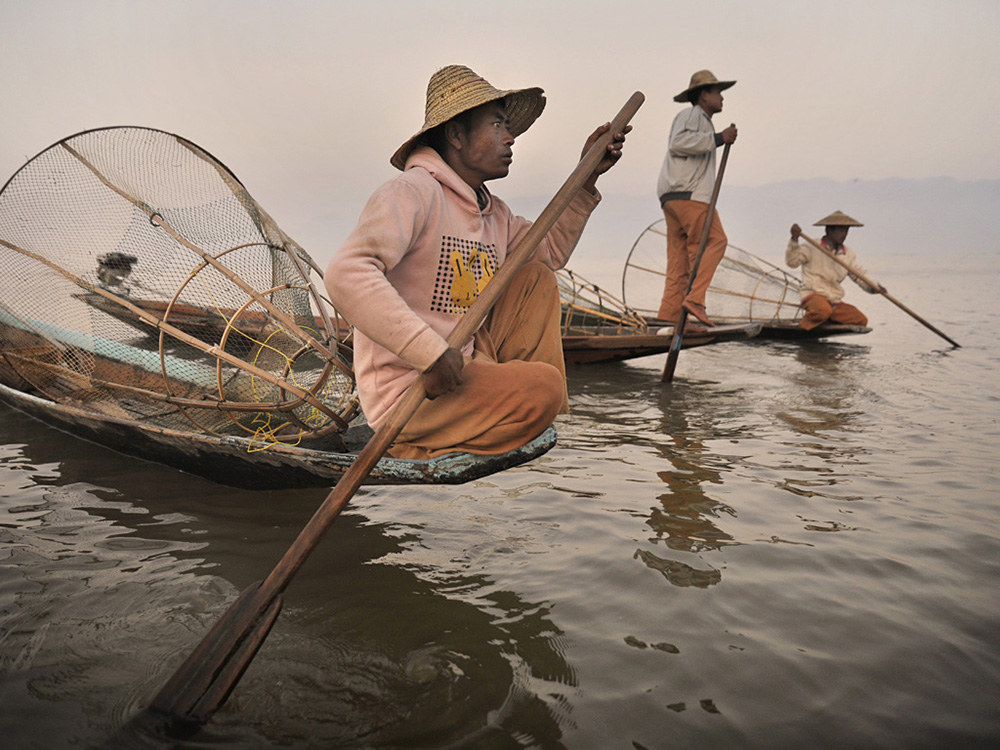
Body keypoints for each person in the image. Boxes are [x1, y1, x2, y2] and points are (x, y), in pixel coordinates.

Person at [325, 65, 628, 460]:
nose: (511, 137)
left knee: (536, 280)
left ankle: (516, 403)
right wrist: (428, 352)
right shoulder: (412, 193)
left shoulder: (494, 213)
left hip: (466, 364)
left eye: (509, 126)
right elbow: (346, 274)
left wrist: (586, 177)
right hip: (413, 389)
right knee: (544, 390)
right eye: (498, 125)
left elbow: (549, 252)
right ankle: (416, 445)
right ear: (455, 135)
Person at [655, 70, 738, 329]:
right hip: (690, 195)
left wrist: (717, 139)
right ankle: (696, 300)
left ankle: (668, 319)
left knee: (679, 262)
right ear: (703, 95)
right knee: (716, 241)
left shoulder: (699, 119)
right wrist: (719, 138)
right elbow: (678, 143)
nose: (722, 98)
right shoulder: (693, 115)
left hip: (673, 197)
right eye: (717, 92)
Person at [786, 210, 881, 330]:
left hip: (833, 300)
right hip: (813, 295)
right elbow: (792, 262)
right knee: (822, 310)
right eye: (841, 230)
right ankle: (804, 328)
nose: (844, 234)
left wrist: (874, 287)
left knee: (860, 320)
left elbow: (859, 276)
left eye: (846, 230)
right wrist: (794, 239)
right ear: (829, 230)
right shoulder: (812, 246)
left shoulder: (848, 254)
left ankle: (822, 321)